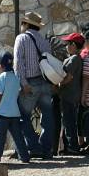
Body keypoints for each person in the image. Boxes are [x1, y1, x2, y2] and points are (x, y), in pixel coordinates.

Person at [14, 11, 57, 159]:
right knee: (47, 117)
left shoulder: (21, 38)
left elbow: (18, 63)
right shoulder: (44, 41)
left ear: (26, 24)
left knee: (22, 116)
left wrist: (23, 83)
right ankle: (47, 149)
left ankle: (34, 146)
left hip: (30, 83)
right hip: (45, 83)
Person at [57, 32, 86, 155]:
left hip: (69, 95)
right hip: (73, 95)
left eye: (68, 44)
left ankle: (73, 146)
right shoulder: (78, 58)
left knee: (68, 122)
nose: (66, 46)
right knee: (69, 121)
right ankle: (70, 146)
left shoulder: (74, 59)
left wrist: (58, 84)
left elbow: (68, 77)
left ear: (74, 45)